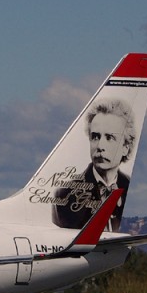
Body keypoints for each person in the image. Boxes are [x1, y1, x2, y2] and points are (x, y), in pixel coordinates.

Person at [51, 99, 136, 231]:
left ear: (125, 147)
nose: (100, 146)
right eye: (95, 137)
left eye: (109, 138)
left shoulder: (129, 189)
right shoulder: (64, 194)